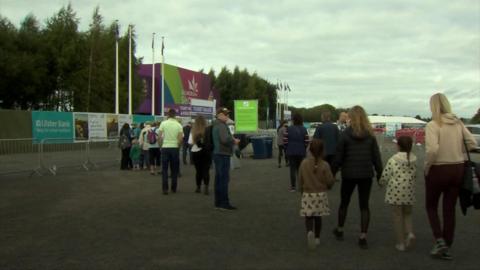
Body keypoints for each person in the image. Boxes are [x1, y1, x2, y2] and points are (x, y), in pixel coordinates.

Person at [424, 93, 477, 260]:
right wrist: (456, 149)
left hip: (439, 169)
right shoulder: (458, 123)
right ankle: (447, 244)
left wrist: (428, 166)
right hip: (458, 168)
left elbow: (432, 150)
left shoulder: (433, 125)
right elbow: (472, 143)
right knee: (449, 209)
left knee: (431, 206)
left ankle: (439, 240)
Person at [331, 105, 383, 249]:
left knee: (344, 202)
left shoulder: (345, 134)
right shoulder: (371, 136)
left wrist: (331, 173)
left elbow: (338, 157)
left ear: (351, 118)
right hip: (366, 174)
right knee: (364, 206)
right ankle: (363, 236)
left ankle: (340, 229)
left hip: (349, 174)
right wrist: (380, 175)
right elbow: (376, 158)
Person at [379, 136, 417, 252]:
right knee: (408, 214)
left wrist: (381, 183)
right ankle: (409, 233)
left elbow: (386, 174)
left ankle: (400, 243)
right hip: (409, 191)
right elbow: (415, 176)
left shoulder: (393, 159)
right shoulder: (414, 159)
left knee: (397, 216)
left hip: (395, 192)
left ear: (398, 146)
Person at [299, 139, 335, 249]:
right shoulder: (325, 165)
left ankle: (310, 232)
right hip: (320, 194)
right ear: (322, 151)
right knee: (318, 217)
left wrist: (302, 190)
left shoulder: (304, 163)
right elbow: (330, 180)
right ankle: (317, 238)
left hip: (308, 194)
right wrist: (329, 186)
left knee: (308, 217)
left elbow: (300, 180)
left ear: (309, 149)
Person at [212, 107, 240, 210]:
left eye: (227, 114)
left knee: (219, 179)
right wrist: (234, 141)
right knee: (224, 179)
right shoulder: (222, 125)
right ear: (219, 115)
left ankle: (218, 202)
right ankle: (224, 203)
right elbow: (224, 139)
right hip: (223, 154)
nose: (227, 116)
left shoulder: (215, 125)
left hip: (218, 153)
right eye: (225, 114)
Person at [159, 109, 184, 195]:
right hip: (175, 148)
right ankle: (174, 188)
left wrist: (160, 146)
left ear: (168, 115)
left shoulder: (163, 123)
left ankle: (165, 189)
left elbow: (159, 137)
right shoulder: (179, 125)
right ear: (175, 115)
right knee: (174, 170)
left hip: (165, 147)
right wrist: (178, 146)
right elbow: (180, 138)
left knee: (164, 169)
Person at [284, 113, 309, 192]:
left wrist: (287, 148)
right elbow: (307, 141)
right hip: (301, 151)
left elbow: (285, 141)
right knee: (300, 169)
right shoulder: (304, 129)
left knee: (292, 169)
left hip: (291, 151)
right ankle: (301, 186)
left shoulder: (288, 128)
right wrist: (304, 148)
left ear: (293, 120)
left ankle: (293, 187)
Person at [189, 116, 212, 195]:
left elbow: (190, 142)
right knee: (206, 170)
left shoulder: (193, 130)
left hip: (196, 152)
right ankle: (206, 187)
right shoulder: (208, 130)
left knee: (198, 171)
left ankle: (198, 187)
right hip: (206, 152)